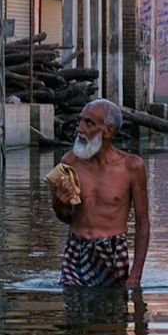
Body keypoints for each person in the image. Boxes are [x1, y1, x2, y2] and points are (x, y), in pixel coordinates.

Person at [50, 99, 150, 288]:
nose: (80, 129)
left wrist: (136, 275)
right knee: (73, 309)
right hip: (76, 249)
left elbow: (142, 223)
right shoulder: (69, 162)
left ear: (109, 131)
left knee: (112, 313)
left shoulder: (132, 167)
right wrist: (58, 203)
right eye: (80, 121)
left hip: (112, 252)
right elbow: (66, 217)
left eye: (89, 123)